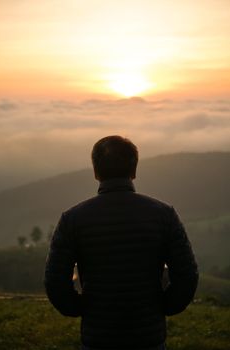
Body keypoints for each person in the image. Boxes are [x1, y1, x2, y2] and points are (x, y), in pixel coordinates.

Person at [44, 135, 198, 350]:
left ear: (96, 172)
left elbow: (55, 281)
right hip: (149, 338)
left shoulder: (73, 219)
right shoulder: (164, 215)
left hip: (98, 338)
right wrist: (162, 306)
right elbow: (187, 275)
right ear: (134, 171)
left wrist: (80, 307)